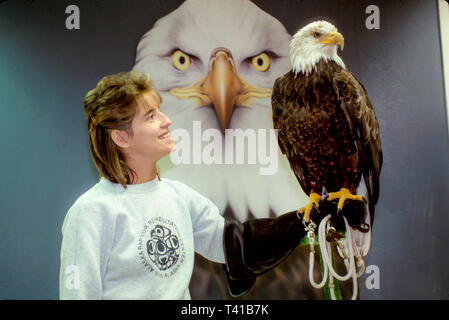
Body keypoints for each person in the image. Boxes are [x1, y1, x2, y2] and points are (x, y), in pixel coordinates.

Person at [59, 71, 352, 300]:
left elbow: (237, 247)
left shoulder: (178, 197)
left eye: (160, 111)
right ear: (121, 138)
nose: (166, 121)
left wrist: (305, 221)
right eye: (150, 117)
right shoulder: (91, 212)